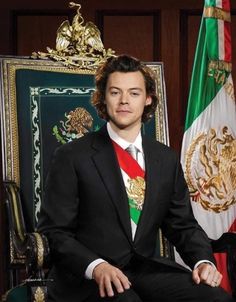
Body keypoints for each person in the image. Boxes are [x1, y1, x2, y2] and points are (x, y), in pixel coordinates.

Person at [38, 54, 234, 302]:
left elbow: (182, 225)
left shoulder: (166, 159)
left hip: (144, 270)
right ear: (102, 98)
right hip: (87, 278)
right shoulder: (71, 156)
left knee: (217, 299)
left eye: (134, 93)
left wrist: (203, 261)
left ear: (147, 99)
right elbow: (54, 232)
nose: (124, 101)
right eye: (115, 92)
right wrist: (96, 266)